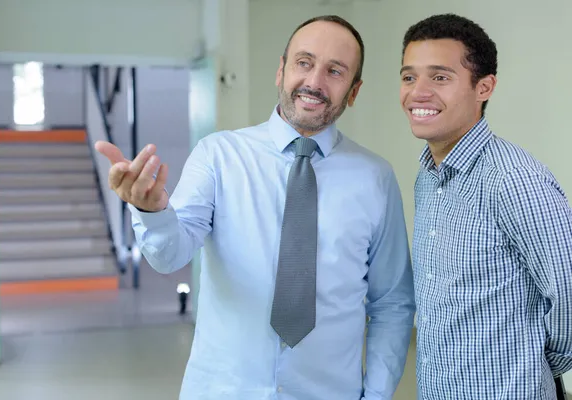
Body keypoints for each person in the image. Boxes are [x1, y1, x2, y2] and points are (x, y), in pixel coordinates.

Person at [96, 15, 415, 400]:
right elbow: (169, 255)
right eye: (304, 62)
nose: (314, 81)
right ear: (281, 70)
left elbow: (392, 303)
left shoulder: (376, 178)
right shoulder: (218, 155)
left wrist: (377, 396)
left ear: (354, 90)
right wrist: (152, 212)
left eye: (335, 70)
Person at [399, 13, 572, 399]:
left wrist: (530, 363)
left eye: (440, 77)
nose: (418, 92)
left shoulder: (514, 179)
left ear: (484, 87)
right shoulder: (427, 176)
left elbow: (570, 294)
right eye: (409, 77)